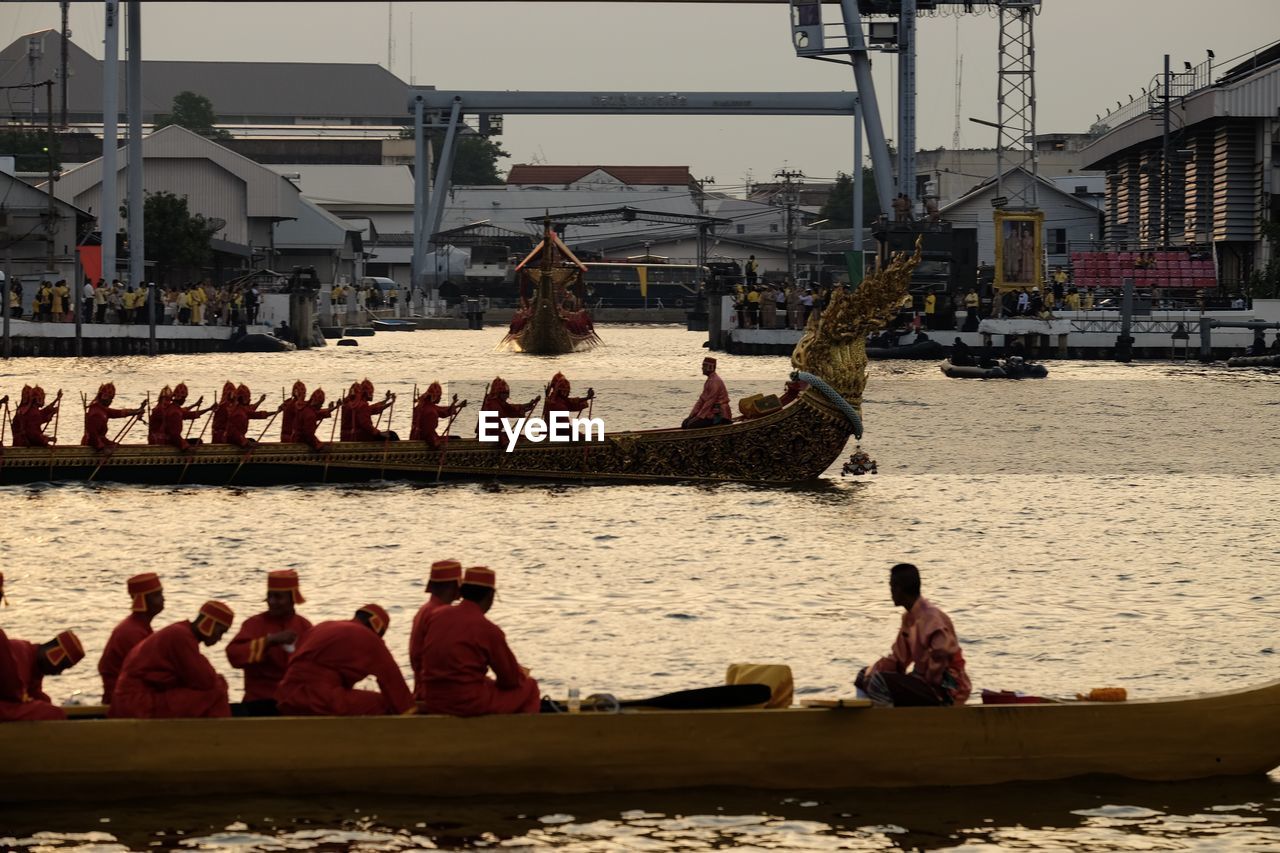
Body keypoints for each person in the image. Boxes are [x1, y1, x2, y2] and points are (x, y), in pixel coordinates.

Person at [418, 567, 540, 716]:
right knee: (530, 686)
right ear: (490, 596)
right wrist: (521, 674)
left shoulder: (436, 616)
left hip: (434, 700)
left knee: (487, 683)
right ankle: (522, 736)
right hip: (467, 704)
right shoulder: (488, 629)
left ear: (462, 592)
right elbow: (510, 680)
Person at [855, 563, 970, 707]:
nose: (890, 592)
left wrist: (921, 680)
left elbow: (942, 654)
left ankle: (883, 724)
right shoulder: (909, 619)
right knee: (864, 676)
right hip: (924, 682)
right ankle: (866, 718)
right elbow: (898, 659)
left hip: (945, 690)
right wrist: (871, 672)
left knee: (879, 681)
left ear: (899, 588)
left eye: (891, 587)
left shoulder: (931, 617)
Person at [275, 604, 414, 716]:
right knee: (383, 703)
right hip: (319, 699)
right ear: (378, 631)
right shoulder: (370, 638)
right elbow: (393, 682)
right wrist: (410, 712)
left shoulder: (323, 626)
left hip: (286, 696)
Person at [108, 601, 235, 719]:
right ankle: (221, 734)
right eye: (221, 632)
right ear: (210, 624)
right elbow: (205, 680)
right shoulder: (181, 636)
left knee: (216, 684)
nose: (220, 638)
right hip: (137, 703)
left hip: (130, 700)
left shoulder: (180, 631)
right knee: (217, 688)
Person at [226, 570, 312, 713]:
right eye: (269, 596)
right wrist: (269, 641)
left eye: (278, 597)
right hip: (258, 701)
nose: (272, 602)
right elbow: (234, 656)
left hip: (294, 702)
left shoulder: (305, 626)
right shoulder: (253, 624)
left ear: (293, 598)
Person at [98, 573, 165, 704]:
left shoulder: (139, 627)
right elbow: (150, 673)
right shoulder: (131, 632)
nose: (163, 599)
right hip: (123, 700)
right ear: (143, 600)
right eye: (157, 595)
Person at [0, 630, 85, 722]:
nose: (58, 673)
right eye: (62, 667)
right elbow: (13, 696)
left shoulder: (33, 665)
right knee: (54, 714)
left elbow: (34, 694)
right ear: (54, 655)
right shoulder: (20, 654)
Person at [409, 559, 463, 700]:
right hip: (436, 691)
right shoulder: (441, 614)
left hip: (423, 685)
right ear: (453, 585)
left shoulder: (425, 610)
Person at [82, 382, 144, 451]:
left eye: (112, 399)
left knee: (117, 447)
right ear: (104, 397)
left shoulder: (102, 409)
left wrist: (136, 411)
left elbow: (118, 413)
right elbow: (92, 434)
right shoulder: (96, 412)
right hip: (93, 443)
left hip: (100, 441)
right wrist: (102, 448)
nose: (111, 401)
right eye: (110, 398)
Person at [410, 382, 467, 447]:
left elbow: (441, 410)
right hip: (424, 439)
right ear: (436, 396)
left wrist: (458, 406)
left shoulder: (424, 405)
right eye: (440, 396)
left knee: (455, 438)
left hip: (416, 437)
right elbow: (428, 433)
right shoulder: (430, 411)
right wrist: (436, 442)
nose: (440, 398)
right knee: (456, 439)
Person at [683, 357, 730, 429]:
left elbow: (710, 402)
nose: (702, 368)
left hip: (719, 414)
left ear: (710, 367)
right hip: (710, 412)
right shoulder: (710, 380)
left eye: (704, 366)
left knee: (692, 425)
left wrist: (699, 417)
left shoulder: (715, 381)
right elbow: (701, 400)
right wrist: (691, 415)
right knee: (685, 423)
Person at [224, 384, 274, 449]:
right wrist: (245, 442)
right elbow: (233, 432)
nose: (250, 399)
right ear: (244, 399)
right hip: (234, 440)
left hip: (238, 438)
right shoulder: (238, 413)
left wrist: (276, 412)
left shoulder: (242, 409)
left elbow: (256, 413)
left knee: (253, 441)